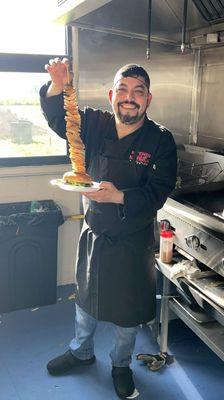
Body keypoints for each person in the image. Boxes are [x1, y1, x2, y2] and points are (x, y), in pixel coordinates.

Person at [40, 58, 177, 400]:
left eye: (138, 92)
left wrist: (119, 196)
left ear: (148, 99)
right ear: (111, 94)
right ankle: (81, 352)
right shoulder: (94, 123)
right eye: (123, 90)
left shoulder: (160, 140)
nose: (129, 98)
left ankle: (121, 365)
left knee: (127, 313)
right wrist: (58, 85)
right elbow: (60, 118)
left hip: (133, 239)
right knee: (85, 300)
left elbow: (159, 191)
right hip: (95, 232)